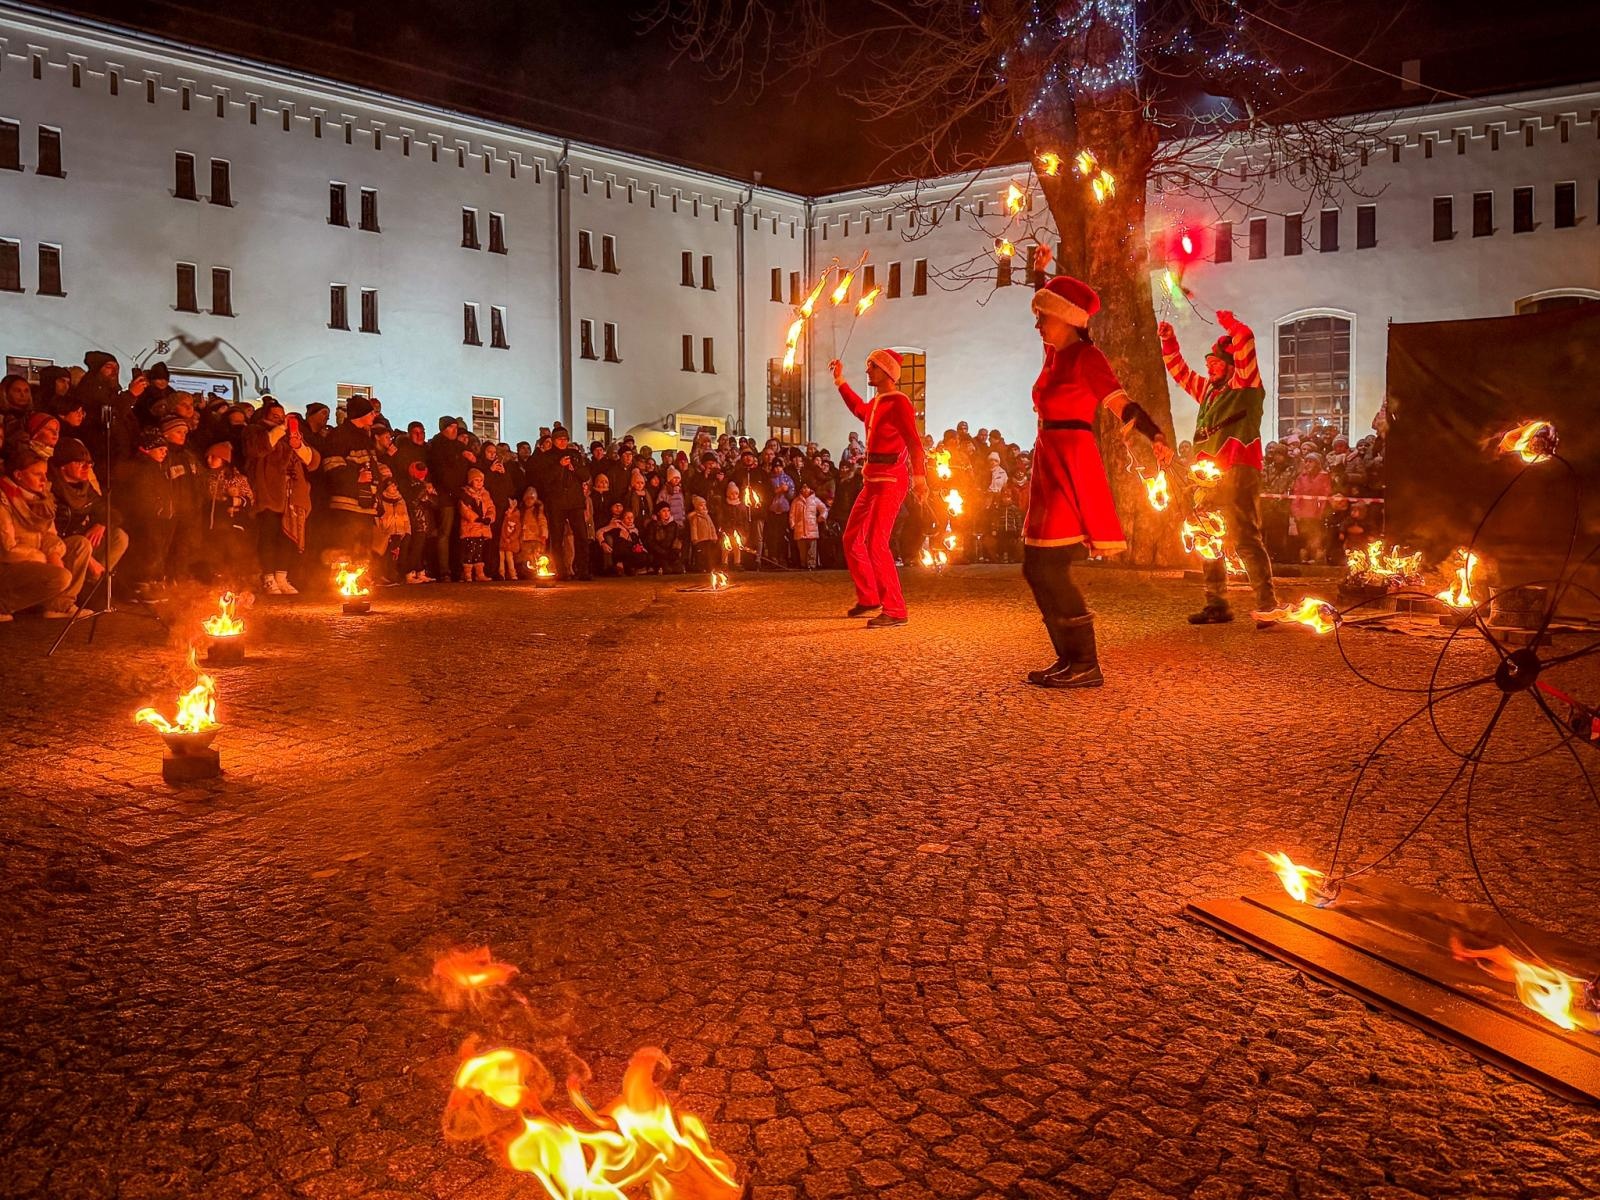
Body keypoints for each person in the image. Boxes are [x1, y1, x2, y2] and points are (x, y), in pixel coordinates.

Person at [1021, 253, 1170, 687]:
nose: (1038, 326)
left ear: (1068, 320)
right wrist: (1039, 275)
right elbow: (1043, 309)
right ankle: (1069, 659)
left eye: (1044, 318)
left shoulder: (1087, 358)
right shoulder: (1053, 353)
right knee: (1035, 565)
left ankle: (1085, 662)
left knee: (1048, 565)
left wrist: (1155, 434)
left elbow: (1119, 402)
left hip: (1072, 460)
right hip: (1049, 459)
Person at [1159, 311, 1277, 626]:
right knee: (1205, 535)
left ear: (1231, 365)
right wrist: (1169, 341)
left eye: (1216, 363)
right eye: (1209, 363)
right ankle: (1217, 604)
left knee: (1244, 537)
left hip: (1239, 470)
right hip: (1206, 478)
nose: (1210, 367)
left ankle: (1267, 605)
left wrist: (1232, 324)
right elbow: (1179, 372)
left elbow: (1246, 338)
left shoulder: (1246, 384)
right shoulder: (1208, 391)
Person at [827, 348, 928, 627]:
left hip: (891, 481)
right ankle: (870, 596)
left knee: (876, 541)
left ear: (887, 372)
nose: (868, 370)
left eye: (872, 366)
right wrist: (840, 381)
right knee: (851, 537)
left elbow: (914, 443)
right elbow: (858, 407)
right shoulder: (877, 403)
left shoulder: (899, 402)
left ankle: (895, 609)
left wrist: (920, 478)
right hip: (872, 479)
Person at [0, 447, 95, 619]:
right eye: (37, 474)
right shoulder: (4, 500)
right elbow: (7, 550)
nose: (44, 479)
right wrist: (43, 558)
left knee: (80, 545)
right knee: (60, 576)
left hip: (37, 556)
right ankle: (3, 605)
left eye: (45, 473)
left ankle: (59, 606)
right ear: (18, 475)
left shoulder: (42, 498)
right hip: (10, 564)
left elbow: (50, 534)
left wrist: (54, 553)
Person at [245, 405, 320, 595]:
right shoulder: (255, 431)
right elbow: (259, 450)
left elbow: (312, 461)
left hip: (292, 496)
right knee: (269, 536)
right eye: (275, 416)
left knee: (288, 539)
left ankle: (282, 576)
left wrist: (298, 445)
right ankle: (268, 577)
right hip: (269, 493)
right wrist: (279, 431)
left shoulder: (291, 437)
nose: (280, 419)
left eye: (282, 416)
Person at [457, 467, 496, 582]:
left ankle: (479, 573)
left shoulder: (485, 494)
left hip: (482, 528)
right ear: (471, 481)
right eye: (476, 480)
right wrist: (476, 518)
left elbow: (491, 507)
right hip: (470, 527)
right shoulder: (466, 494)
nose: (479, 483)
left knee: (479, 551)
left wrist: (489, 517)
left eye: (481, 480)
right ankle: (467, 573)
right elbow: (464, 509)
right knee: (469, 551)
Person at [789, 481, 828, 569]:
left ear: (810, 489)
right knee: (802, 550)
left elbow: (824, 509)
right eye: (803, 488)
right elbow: (792, 514)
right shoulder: (796, 501)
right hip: (800, 529)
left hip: (812, 528)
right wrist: (792, 524)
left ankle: (812, 564)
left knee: (812, 549)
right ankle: (804, 564)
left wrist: (822, 517)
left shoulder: (815, 500)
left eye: (807, 488)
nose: (805, 490)